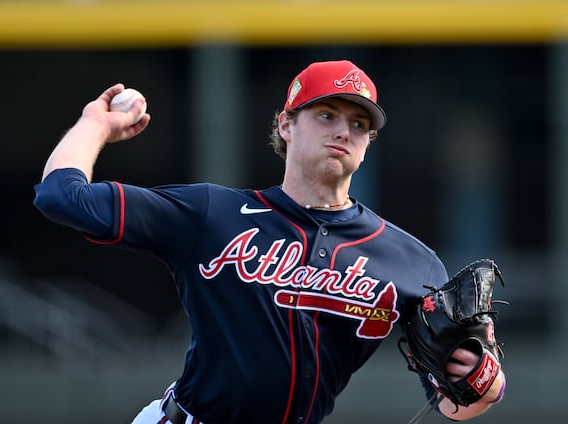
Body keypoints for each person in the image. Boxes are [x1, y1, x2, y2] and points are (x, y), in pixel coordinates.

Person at [34, 60, 505, 423]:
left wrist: (484, 382)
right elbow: (60, 197)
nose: (344, 130)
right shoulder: (212, 215)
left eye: (360, 124)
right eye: (326, 114)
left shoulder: (411, 263)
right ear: (286, 124)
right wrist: (95, 125)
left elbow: (452, 405)